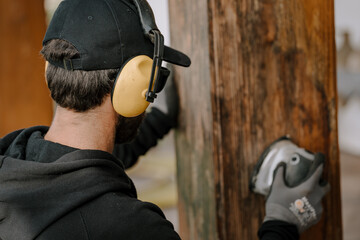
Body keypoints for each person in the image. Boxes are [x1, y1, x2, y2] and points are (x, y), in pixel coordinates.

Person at [0, 0, 329, 239]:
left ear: (51, 70)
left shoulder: (12, 159)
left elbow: (81, 169)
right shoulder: (131, 228)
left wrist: (161, 120)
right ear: (136, 84)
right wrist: (284, 220)